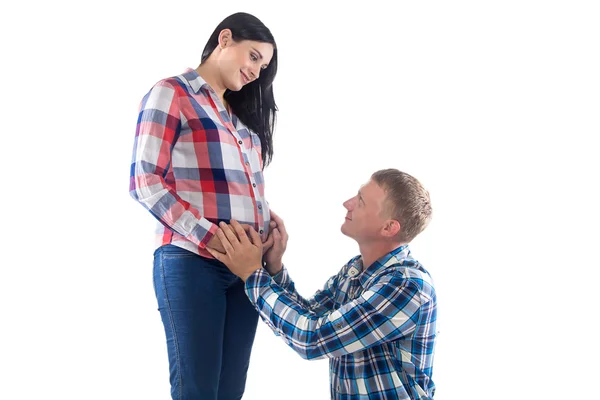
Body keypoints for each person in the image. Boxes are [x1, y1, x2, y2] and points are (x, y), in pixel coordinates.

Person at [129, 12, 278, 400]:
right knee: (196, 391)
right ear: (224, 39)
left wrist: (268, 233)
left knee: (230, 392)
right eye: (254, 57)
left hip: (247, 273)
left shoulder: (242, 123)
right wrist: (213, 238)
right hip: (193, 261)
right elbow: (145, 180)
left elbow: (234, 191)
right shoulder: (172, 93)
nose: (256, 72)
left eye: (263, 66)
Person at [208, 169, 437, 399]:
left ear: (389, 228)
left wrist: (252, 274)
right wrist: (274, 268)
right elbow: (310, 315)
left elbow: (312, 339)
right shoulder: (355, 271)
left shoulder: (407, 286)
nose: (347, 203)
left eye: (361, 201)